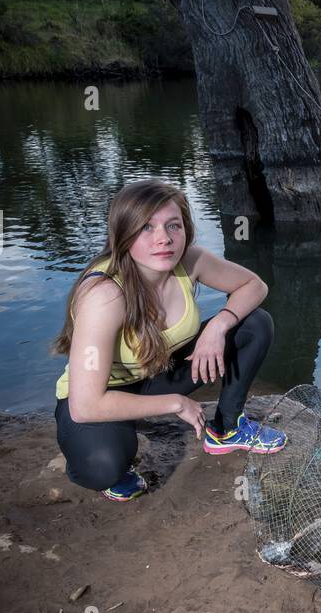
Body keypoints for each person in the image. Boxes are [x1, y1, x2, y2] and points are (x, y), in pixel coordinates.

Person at [50, 179, 287, 501]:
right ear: (123, 234)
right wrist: (176, 403)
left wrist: (218, 326)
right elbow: (85, 405)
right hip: (103, 394)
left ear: (186, 229)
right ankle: (99, 449)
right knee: (103, 467)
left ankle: (227, 429)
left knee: (254, 323)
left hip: (160, 371)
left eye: (173, 225)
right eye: (146, 228)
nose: (163, 239)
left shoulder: (191, 260)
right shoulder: (104, 294)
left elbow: (255, 286)